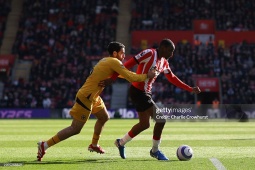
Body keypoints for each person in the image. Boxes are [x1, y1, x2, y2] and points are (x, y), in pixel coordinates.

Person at [36, 41, 157, 161]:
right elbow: (129, 76)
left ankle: (94, 145)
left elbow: (124, 75)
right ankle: (44, 145)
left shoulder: (106, 61)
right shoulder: (114, 61)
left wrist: (135, 76)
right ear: (115, 53)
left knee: (104, 117)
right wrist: (147, 75)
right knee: (75, 128)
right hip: (87, 97)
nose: (124, 56)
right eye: (122, 53)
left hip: (94, 97)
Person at [101, 38, 201, 160]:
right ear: (163, 48)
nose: (172, 54)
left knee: (144, 124)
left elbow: (172, 78)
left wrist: (189, 88)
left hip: (145, 93)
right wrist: (112, 78)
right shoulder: (149, 53)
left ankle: (120, 143)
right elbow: (127, 65)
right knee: (161, 120)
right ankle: (155, 150)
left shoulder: (164, 61)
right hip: (138, 91)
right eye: (170, 50)